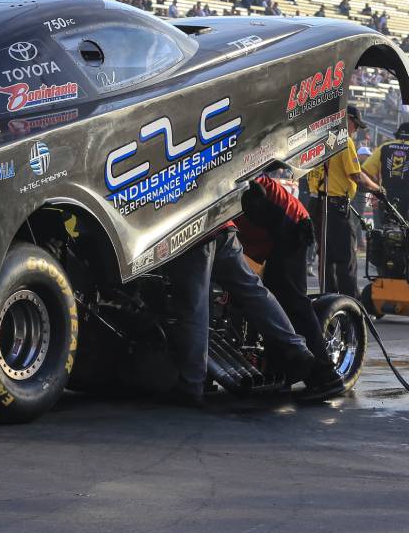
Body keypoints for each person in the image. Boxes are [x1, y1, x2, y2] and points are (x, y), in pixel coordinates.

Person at [162, 221, 316, 407]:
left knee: (194, 307)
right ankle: (296, 346)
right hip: (221, 225)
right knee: (252, 289)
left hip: (191, 231)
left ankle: (191, 386)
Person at [236, 175, 346, 401]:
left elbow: (259, 198)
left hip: (290, 225)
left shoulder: (230, 171)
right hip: (269, 230)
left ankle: (325, 376)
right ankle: (278, 372)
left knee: (290, 300)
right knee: (269, 297)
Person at [305, 105, 385, 298]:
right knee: (346, 258)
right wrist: (378, 189)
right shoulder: (343, 139)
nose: (355, 129)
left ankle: (329, 300)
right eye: (355, 124)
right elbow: (356, 175)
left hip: (316, 203)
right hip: (335, 205)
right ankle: (352, 303)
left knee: (326, 257)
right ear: (346, 119)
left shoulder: (318, 138)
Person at [362, 122, 409, 228]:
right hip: (408, 198)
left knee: (384, 231)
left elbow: (365, 171)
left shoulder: (384, 147)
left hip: (386, 196)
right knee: (407, 232)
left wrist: (377, 186)